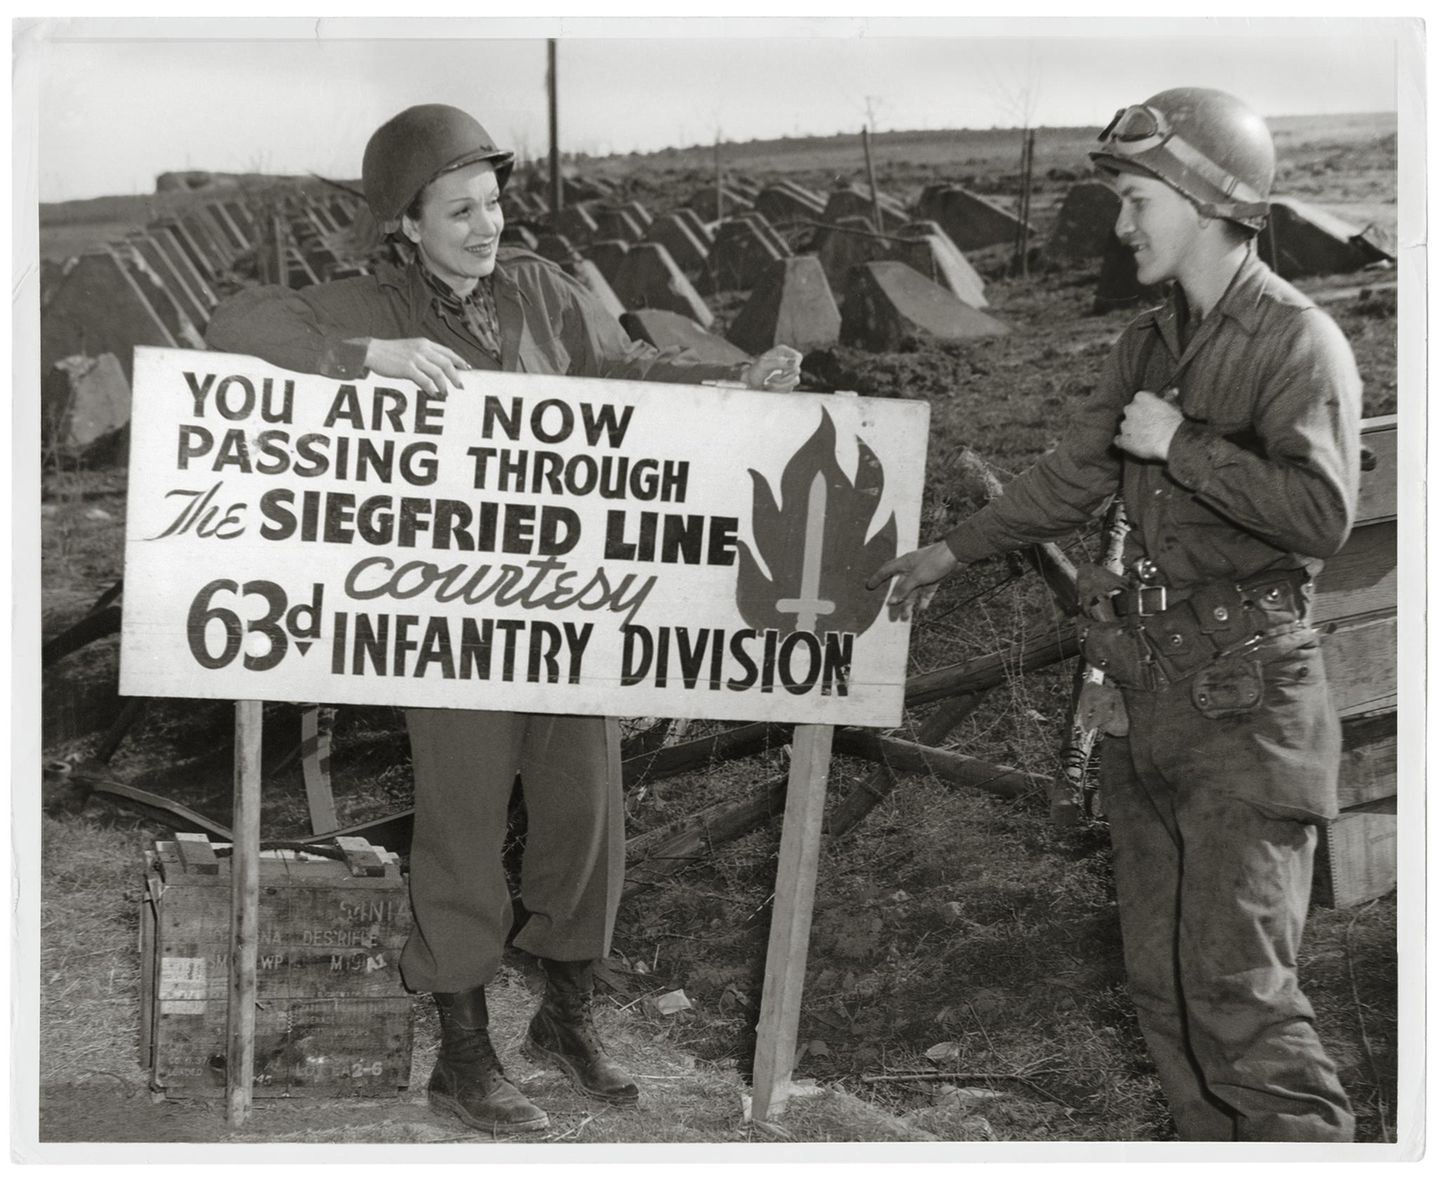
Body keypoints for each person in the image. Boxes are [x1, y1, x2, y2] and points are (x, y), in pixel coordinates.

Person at [206, 103, 802, 1135]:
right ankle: (463, 1049)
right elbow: (236, 329)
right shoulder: (375, 299)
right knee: (464, 827)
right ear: (406, 223)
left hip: (568, 603)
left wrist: (730, 376)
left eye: (494, 202)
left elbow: (620, 373)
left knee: (583, 817)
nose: (488, 225)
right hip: (449, 618)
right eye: (460, 210)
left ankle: (567, 1017)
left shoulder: (536, 288)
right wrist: (369, 359)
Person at [868, 88, 1360, 1142]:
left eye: (1138, 201)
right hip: (1149, 696)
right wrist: (952, 551)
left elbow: (1321, 516)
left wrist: (1181, 445)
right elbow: (1073, 473)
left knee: (1242, 1006)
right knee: (1164, 997)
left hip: (1250, 702)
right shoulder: (1148, 340)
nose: (1123, 224)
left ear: (1206, 200)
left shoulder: (1296, 340)